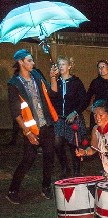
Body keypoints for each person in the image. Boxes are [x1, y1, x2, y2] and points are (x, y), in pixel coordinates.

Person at [6, 49, 59, 204]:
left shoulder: (36, 75)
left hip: (46, 125)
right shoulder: (14, 84)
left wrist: (53, 77)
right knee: (28, 160)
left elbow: (53, 92)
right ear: (21, 62)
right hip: (32, 129)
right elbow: (16, 113)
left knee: (49, 157)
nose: (33, 63)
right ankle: (12, 190)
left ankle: (46, 187)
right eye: (30, 60)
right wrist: (27, 132)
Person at [50, 55, 87, 178]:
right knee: (57, 143)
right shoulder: (57, 82)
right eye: (59, 64)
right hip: (59, 119)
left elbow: (84, 100)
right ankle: (65, 167)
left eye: (63, 64)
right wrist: (53, 79)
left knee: (74, 145)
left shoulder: (76, 82)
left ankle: (77, 170)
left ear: (69, 66)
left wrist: (75, 112)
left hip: (73, 118)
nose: (61, 66)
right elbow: (52, 98)